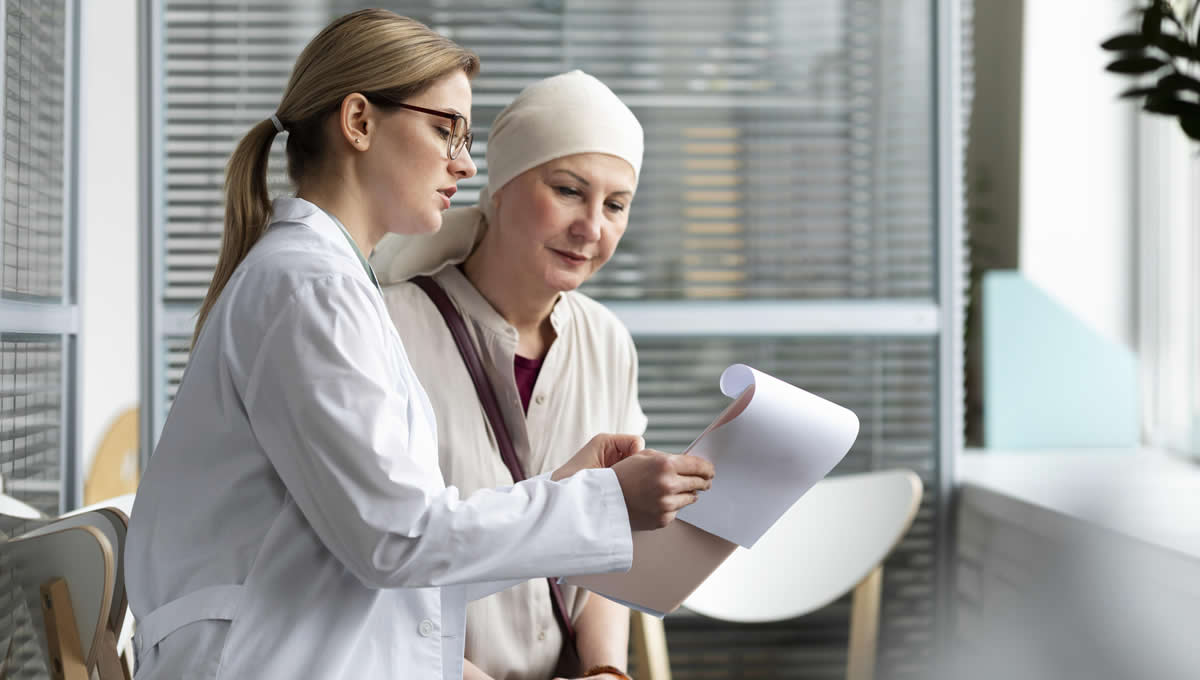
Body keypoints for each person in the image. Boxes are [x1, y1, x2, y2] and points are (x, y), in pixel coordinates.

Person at [124, 11, 714, 680]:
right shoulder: (311, 289)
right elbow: (398, 541)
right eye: (445, 130)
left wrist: (571, 490)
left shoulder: (325, 284)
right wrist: (601, 504)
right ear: (359, 122)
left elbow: (400, 551)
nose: (463, 161)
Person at [371, 70, 651, 680]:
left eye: (616, 205)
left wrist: (605, 670)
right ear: (499, 184)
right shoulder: (388, 329)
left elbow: (612, 536)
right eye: (569, 191)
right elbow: (378, 562)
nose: (593, 228)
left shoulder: (607, 343)